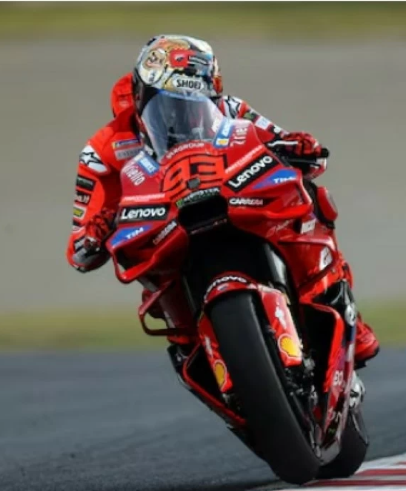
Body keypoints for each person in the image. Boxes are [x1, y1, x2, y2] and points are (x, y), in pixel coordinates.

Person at [66, 35, 379, 367]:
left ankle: (340, 307)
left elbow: (296, 151)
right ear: (140, 95)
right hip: (164, 230)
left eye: (195, 102)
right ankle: (197, 354)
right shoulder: (101, 150)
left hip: (232, 202)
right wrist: (95, 234)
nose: (182, 115)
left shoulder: (230, 108)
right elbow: (78, 253)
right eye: (168, 104)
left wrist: (299, 147)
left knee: (309, 199)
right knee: (161, 302)